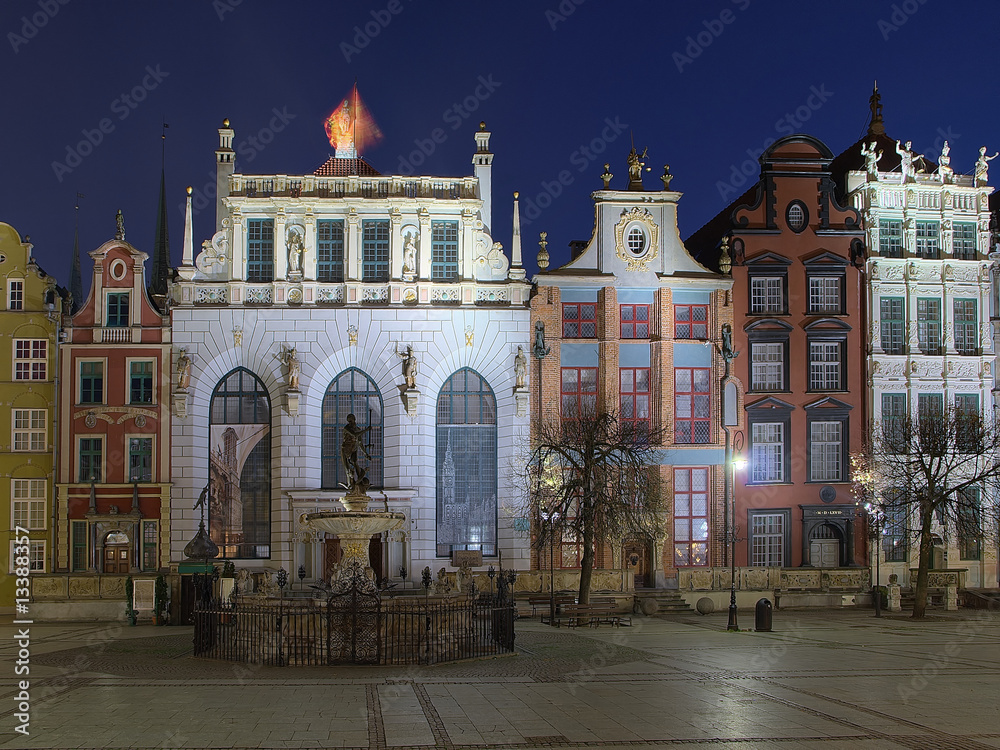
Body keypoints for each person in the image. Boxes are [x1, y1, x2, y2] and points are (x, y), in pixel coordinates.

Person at [341, 414, 372, 490]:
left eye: (351, 421)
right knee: (347, 469)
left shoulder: (358, 429)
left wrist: (365, 454)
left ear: (354, 419)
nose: (350, 423)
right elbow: (354, 435)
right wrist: (366, 430)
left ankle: (359, 480)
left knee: (355, 462)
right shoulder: (347, 428)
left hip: (354, 448)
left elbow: (360, 443)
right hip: (346, 449)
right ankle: (350, 484)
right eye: (349, 421)